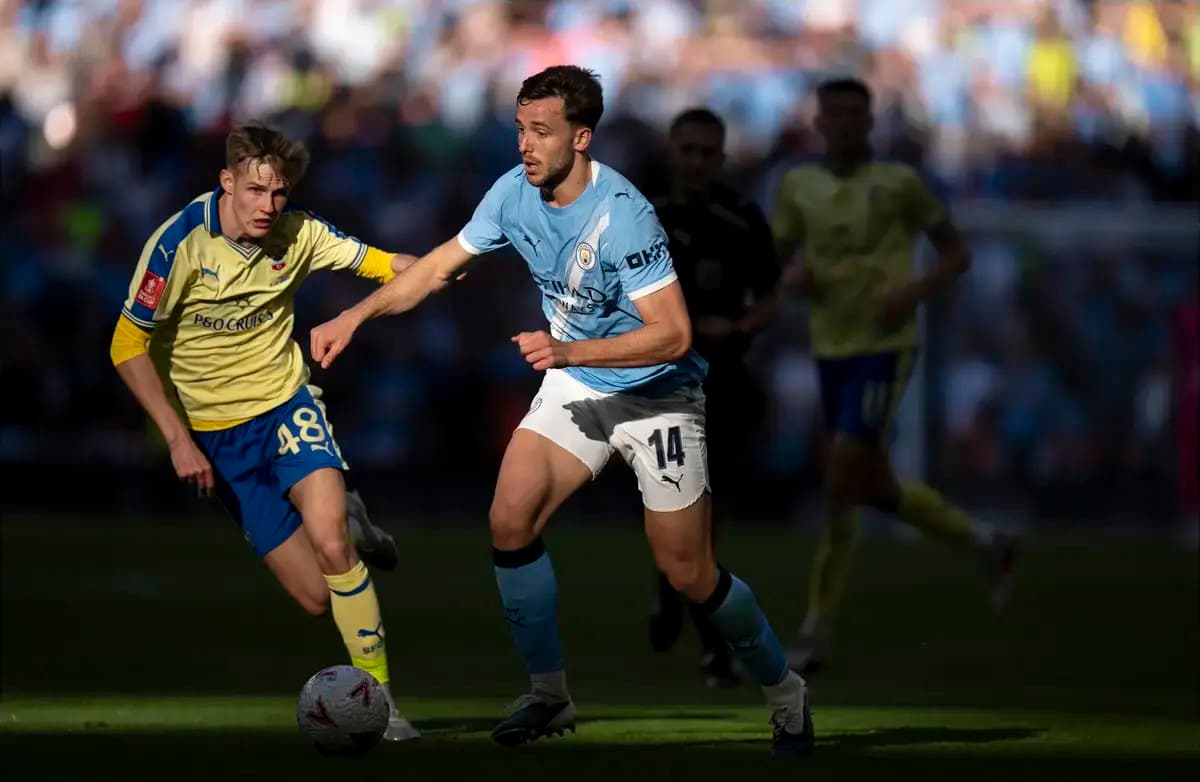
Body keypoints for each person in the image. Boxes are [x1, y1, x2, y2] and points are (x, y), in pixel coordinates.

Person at [310, 65, 814, 757]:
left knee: (688, 572)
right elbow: (434, 268)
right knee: (509, 520)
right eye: (521, 128)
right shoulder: (512, 193)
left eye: (540, 132)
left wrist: (569, 353)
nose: (525, 144)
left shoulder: (624, 214)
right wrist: (356, 315)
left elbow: (673, 333)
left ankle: (786, 693)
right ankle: (550, 694)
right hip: (576, 381)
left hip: (655, 394)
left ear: (581, 138)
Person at [109, 122, 420, 741]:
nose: (267, 206)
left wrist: (442, 266)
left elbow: (387, 265)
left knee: (332, 548)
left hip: (286, 406)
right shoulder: (178, 245)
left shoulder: (299, 232)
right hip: (217, 437)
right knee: (312, 596)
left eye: (278, 194)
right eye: (255, 191)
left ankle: (381, 702)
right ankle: (354, 518)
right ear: (226, 182)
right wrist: (176, 437)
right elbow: (126, 343)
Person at [770, 78, 1019, 673]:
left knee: (839, 480)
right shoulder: (797, 186)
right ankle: (987, 544)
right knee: (871, 486)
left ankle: (816, 628)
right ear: (820, 120)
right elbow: (774, 260)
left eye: (859, 114)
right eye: (837, 114)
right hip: (830, 347)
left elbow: (957, 255)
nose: (849, 124)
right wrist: (791, 280)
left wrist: (912, 293)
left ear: (871, 121)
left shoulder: (901, 185)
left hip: (885, 346)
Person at [646, 107, 780, 688]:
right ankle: (707, 635)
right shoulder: (642, 217)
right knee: (675, 515)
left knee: (705, 521)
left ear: (722, 157)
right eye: (687, 149)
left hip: (723, 381)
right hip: (657, 383)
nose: (697, 161)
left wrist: (745, 328)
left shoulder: (742, 217)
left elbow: (773, 292)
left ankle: (684, 610)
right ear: (671, 152)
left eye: (707, 151)